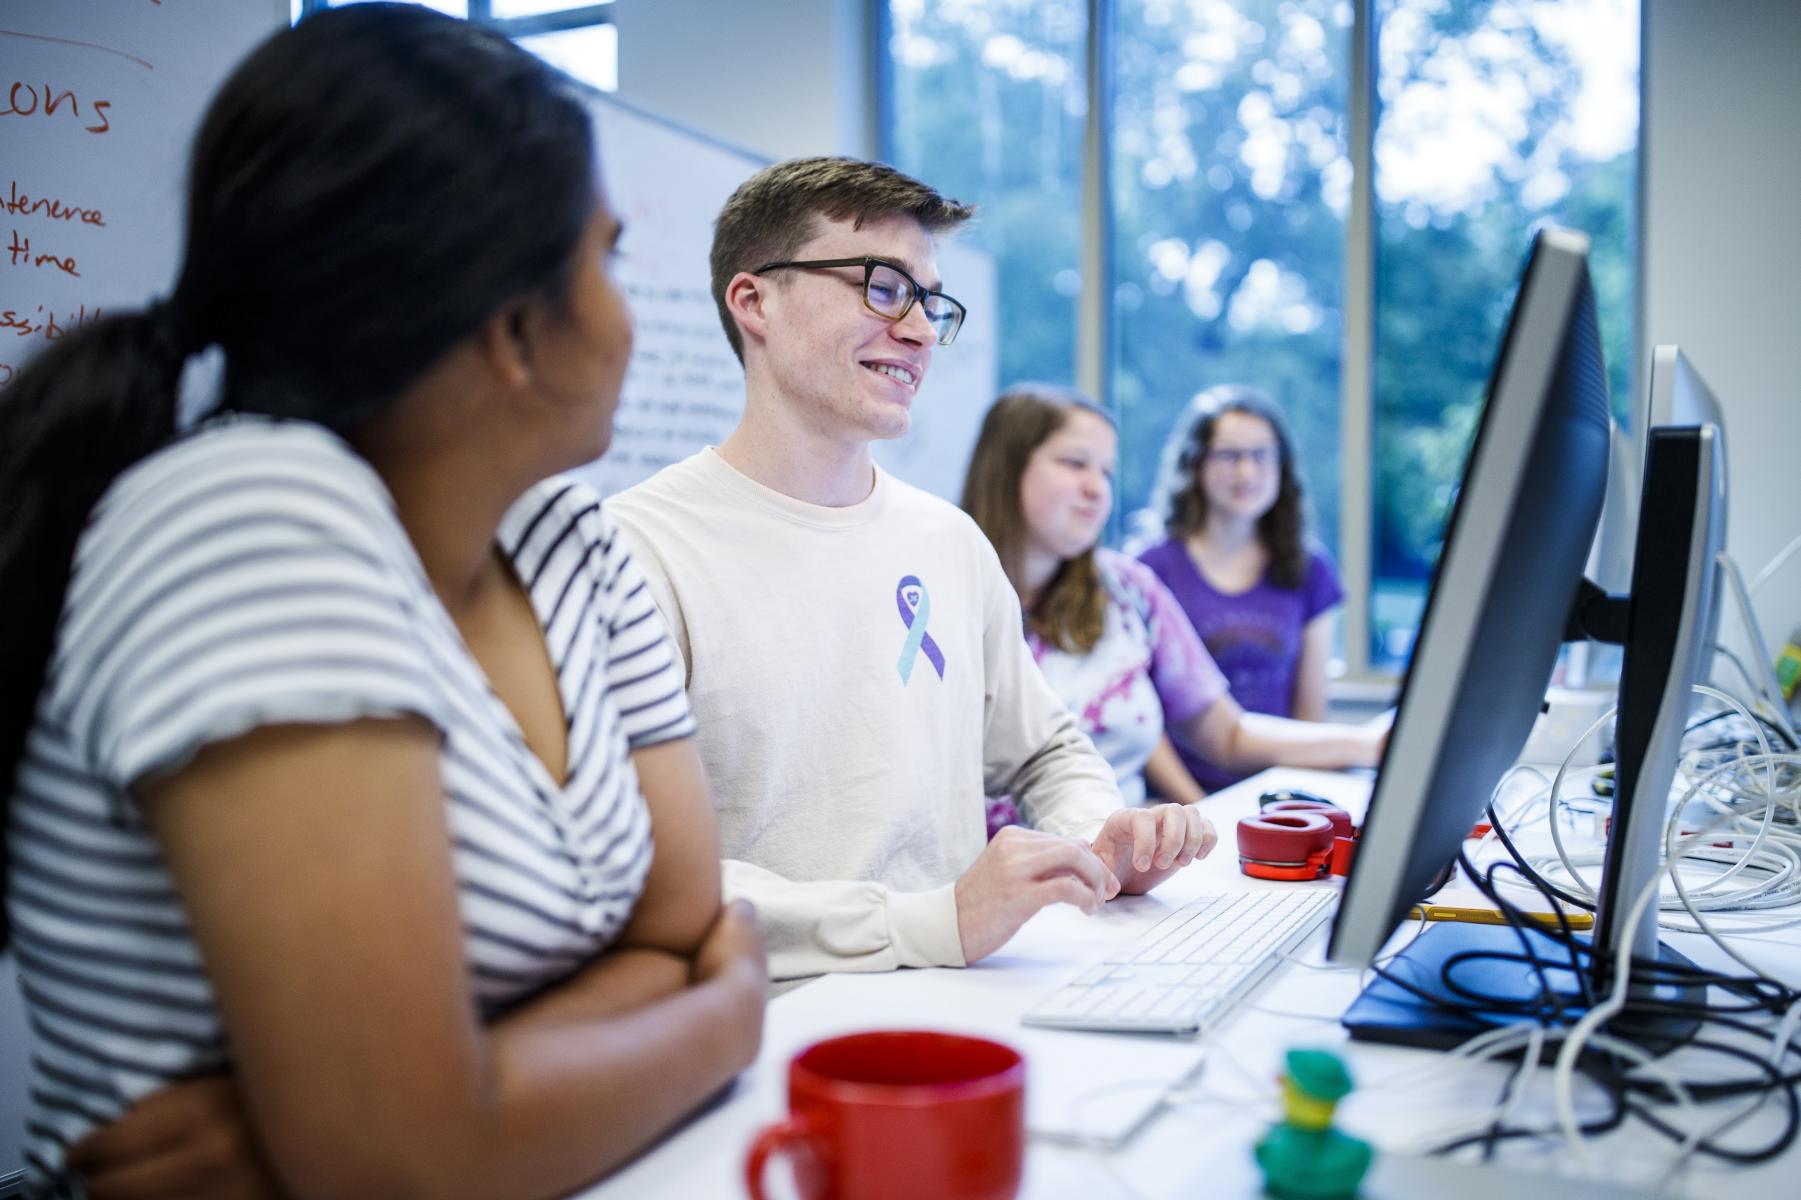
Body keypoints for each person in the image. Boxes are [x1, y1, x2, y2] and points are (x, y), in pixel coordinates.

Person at [0, 7, 763, 1198]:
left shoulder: (572, 542)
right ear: (515, 332)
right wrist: (723, 1022)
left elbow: (672, 928)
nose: (626, 311)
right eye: (606, 260)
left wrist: (396, 1116)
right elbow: (408, 1169)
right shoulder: (254, 518)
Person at [607, 157, 1218, 981]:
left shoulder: (947, 542)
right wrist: (931, 922)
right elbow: (636, 873)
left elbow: (1046, 753)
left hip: (969, 989)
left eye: (930, 301)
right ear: (754, 301)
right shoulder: (638, 551)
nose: (923, 331)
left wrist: (1095, 839)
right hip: (767, 1020)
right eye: (882, 287)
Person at [962, 385, 1383, 814]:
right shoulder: (939, 592)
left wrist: (1370, 744)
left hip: (1120, 862)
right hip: (988, 867)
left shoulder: (1127, 589)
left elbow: (1225, 733)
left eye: (1107, 472)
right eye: (1076, 464)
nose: (1097, 488)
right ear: (1006, 468)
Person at [1134, 386, 1347, 791]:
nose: (1246, 472)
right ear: (1195, 464)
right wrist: (1195, 807)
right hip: (1174, 803)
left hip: (1277, 792)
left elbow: (1309, 715)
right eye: (1229, 455)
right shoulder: (1149, 569)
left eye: (1261, 455)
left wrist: (1295, 806)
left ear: (1282, 466)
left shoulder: (1311, 569)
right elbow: (1138, 717)